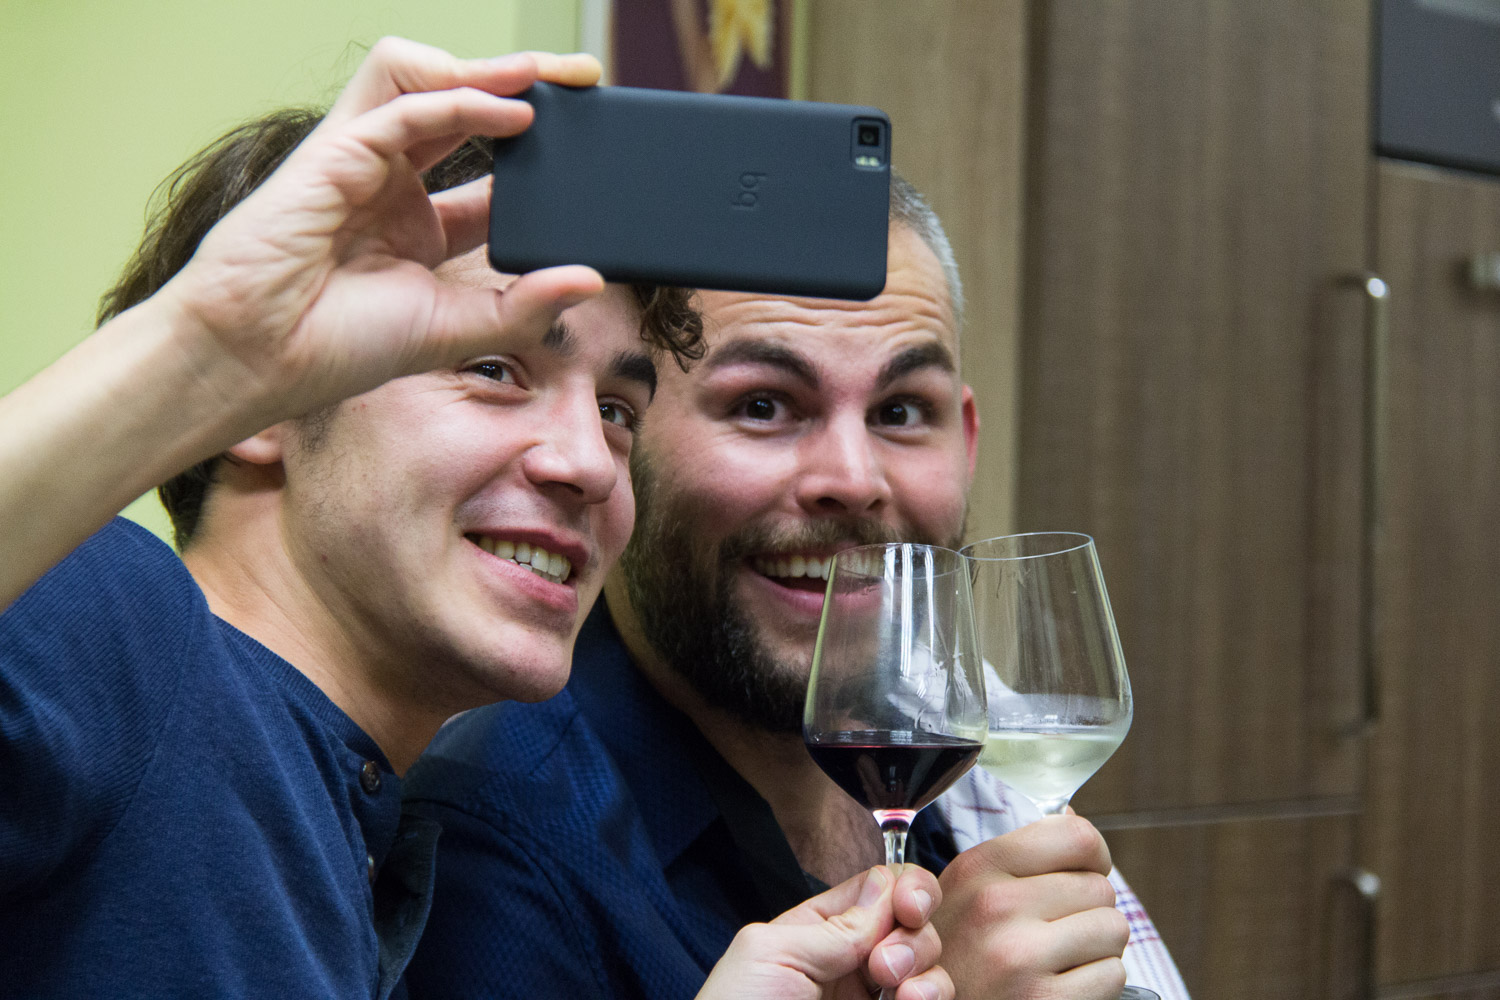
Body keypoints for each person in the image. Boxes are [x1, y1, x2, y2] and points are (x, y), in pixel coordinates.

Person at [0, 39, 954, 1000]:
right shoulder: (123, 627)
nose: (588, 462)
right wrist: (206, 348)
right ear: (265, 408)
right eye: (494, 369)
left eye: (616, 411)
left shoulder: (360, 838)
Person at [402, 175, 1193, 1000]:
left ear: (964, 443)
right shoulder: (495, 849)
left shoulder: (985, 761)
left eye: (899, 413)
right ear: (620, 433)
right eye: (764, 405)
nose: (852, 480)